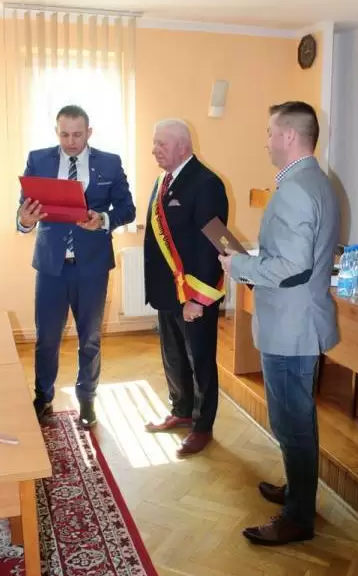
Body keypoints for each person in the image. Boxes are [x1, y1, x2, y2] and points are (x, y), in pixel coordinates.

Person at [220, 101, 339, 545]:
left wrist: (239, 266)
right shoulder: (314, 180)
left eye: (270, 132)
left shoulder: (295, 189)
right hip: (297, 321)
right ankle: (298, 492)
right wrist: (251, 260)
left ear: (289, 136)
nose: (266, 141)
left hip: (291, 329)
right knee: (295, 419)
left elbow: (293, 266)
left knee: (292, 423)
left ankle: (297, 518)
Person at [18, 105, 136, 428]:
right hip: (51, 267)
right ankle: (43, 397)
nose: (71, 142)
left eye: (77, 135)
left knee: (90, 338)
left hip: (92, 267)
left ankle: (87, 399)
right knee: (46, 338)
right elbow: (23, 210)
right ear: (56, 132)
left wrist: (103, 220)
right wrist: (24, 221)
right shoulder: (38, 160)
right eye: (65, 134)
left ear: (89, 133)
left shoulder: (110, 162)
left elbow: (127, 208)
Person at [144, 119, 228, 457]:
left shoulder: (207, 183)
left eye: (161, 144)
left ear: (183, 145)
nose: (154, 150)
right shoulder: (163, 181)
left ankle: (202, 426)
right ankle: (181, 410)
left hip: (193, 295)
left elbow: (216, 244)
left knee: (200, 361)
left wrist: (199, 299)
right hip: (168, 292)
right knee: (174, 355)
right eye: (154, 143)